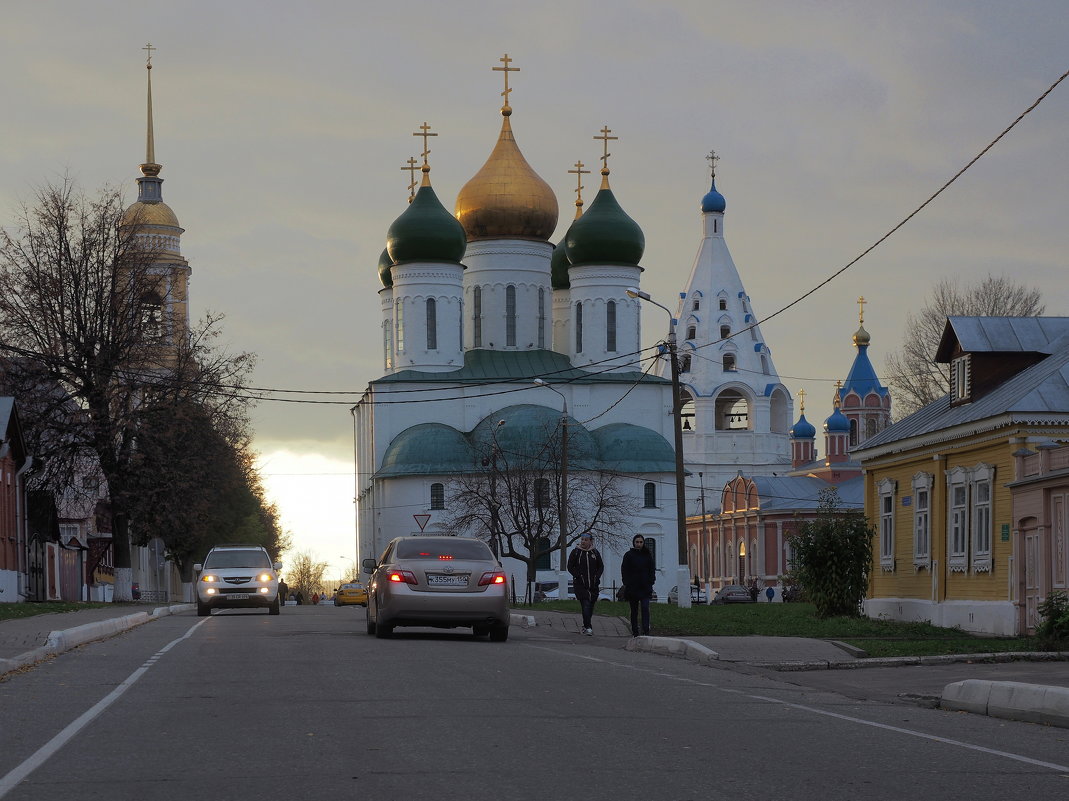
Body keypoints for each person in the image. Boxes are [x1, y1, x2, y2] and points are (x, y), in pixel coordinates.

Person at [568, 532, 604, 636]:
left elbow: (601, 566)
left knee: (590, 606)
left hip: (593, 584)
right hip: (580, 585)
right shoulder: (576, 552)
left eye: (585, 540)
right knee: (585, 604)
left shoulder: (595, 553)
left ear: (590, 541)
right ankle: (588, 627)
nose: (583, 542)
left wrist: (597, 577)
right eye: (582, 539)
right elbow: (570, 566)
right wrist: (578, 576)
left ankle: (585, 625)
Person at [620, 534, 656, 637]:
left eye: (641, 542)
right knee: (634, 610)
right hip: (633, 588)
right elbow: (624, 569)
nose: (639, 544)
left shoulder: (647, 555)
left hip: (645, 587)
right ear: (634, 543)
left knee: (645, 608)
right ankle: (635, 631)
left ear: (643, 543)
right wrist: (626, 582)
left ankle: (646, 629)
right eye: (637, 542)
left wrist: (651, 581)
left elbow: (651, 569)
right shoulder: (629, 555)